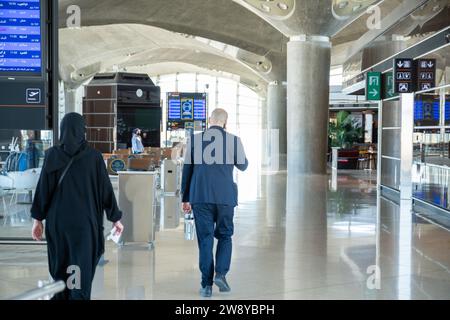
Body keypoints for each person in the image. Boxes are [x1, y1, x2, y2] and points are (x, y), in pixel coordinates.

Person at [30, 113, 124, 300]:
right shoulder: (94, 158)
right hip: (84, 225)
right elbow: (106, 191)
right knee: (80, 271)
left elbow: (43, 191)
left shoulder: (51, 155)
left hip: (59, 225)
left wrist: (37, 220)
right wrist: (115, 218)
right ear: (83, 131)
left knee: (60, 269)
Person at [181, 108, 248, 298]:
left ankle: (206, 285)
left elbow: (187, 171)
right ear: (225, 122)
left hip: (200, 196)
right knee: (225, 236)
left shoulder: (194, 140)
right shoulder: (234, 140)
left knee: (205, 239)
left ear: (210, 120)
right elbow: (243, 166)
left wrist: (185, 198)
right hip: (225, 198)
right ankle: (221, 273)